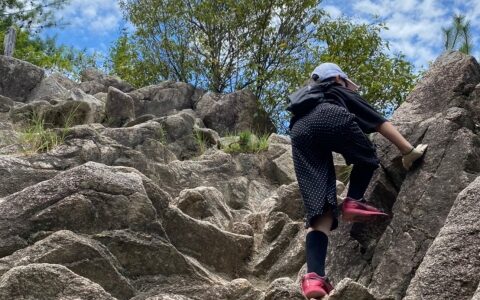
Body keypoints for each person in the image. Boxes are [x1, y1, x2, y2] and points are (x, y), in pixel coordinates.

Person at [287, 63, 427, 299]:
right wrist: (407, 150)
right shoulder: (337, 91)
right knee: (366, 156)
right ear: (338, 79)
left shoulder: (304, 105)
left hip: (299, 133)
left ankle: (314, 279)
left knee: (320, 210)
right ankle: (353, 200)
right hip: (328, 117)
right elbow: (377, 122)